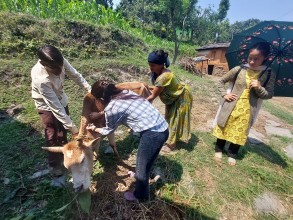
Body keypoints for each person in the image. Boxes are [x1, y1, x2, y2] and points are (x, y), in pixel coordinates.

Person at [86, 80, 169, 201]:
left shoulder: (111, 109)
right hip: (162, 127)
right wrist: (100, 114)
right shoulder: (126, 92)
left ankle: (141, 196)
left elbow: (108, 130)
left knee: (141, 167)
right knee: (148, 158)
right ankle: (143, 175)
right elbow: (120, 108)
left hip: (152, 134)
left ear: (102, 99)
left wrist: (94, 128)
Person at [31, 45, 91, 177]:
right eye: (55, 68)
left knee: (62, 131)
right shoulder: (40, 79)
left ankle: (68, 155)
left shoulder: (60, 61)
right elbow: (55, 107)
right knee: (51, 132)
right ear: (43, 63)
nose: (59, 70)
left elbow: (76, 75)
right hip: (45, 104)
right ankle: (54, 164)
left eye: (61, 66)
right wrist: (74, 129)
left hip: (60, 97)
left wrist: (89, 90)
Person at [212, 42, 276, 166]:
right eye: (250, 58)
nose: (251, 61)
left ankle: (232, 153)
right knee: (225, 124)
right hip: (232, 104)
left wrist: (259, 88)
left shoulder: (268, 73)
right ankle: (219, 148)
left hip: (249, 108)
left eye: (256, 59)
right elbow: (221, 81)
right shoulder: (240, 69)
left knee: (241, 130)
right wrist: (224, 94)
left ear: (265, 58)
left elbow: (269, 94)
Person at [146, 50, 192, 153]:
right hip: (175, 95)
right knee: (168, 117)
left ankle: (171, 144)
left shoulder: (164, 77)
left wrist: (139, 104)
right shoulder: (160, 73)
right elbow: (158, 87)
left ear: (160, 65)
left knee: (174, 119)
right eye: (149, 65)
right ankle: (169, 137)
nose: (150, 67)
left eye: (153, 65)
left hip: (181, 96)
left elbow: (152, 96)